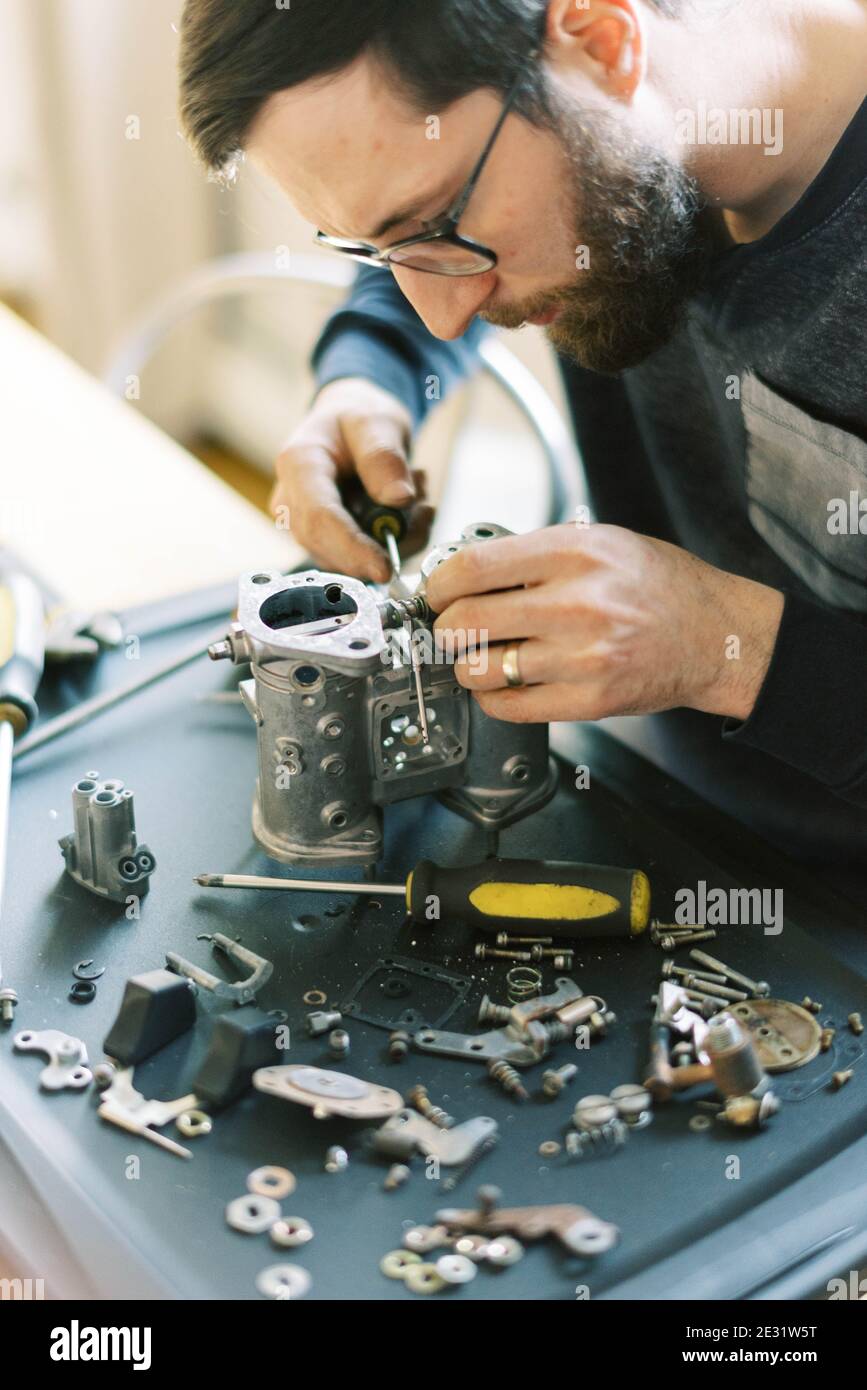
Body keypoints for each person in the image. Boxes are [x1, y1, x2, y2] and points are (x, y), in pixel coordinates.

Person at [178, 0, 867, 890]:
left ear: (602, 41)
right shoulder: (641, 132)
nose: (446, 306)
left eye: (432, 228)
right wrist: (372, 373)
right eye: (382, 248)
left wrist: (727, 648)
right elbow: (435, 257)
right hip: (663, 795)